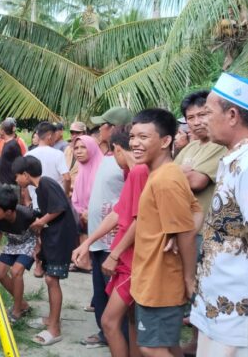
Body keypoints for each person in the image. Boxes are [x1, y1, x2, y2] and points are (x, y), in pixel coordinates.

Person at [190, 73, 248, 355]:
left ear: (232, 115)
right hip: (223, 302)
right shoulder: (237, 159)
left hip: (243, 307)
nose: (200, 121)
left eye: (207, 112)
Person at [73, 125, 147, 356]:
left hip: (132, 259)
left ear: (116, 148)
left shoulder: (139, 173)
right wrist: (87, 242)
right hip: (123, 255)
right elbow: (119, 211)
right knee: (131, 323)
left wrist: (114, 254)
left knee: (110, 321)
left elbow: (139, 219)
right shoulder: (131, 173)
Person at [129, 108, 197, 357]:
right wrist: (172, 231)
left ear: (166, 140)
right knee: (168, 345)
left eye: (144, 137)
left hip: (161, 281)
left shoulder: (165, 180)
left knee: (151, 347)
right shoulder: (163, 174)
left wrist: (189, 279)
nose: (135, 143)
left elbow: (187, 232)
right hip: (153, 276)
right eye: (133, 136)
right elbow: (196, 211)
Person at [173, 90, 226, 355]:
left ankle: (200, 344)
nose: (196, 121)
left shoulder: (220, 146)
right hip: (184, 228)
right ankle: (195, 342)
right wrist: (180, 174)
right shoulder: (192, 147)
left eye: (202, 114)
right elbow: (168, 177)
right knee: (192, 288)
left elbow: (197, 181)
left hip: (204, 230)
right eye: (190, 117)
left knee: (201, 288)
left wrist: (179, 174)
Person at [13, 156, 77, 346]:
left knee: (51, 279)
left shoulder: (47, 183)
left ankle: (54, 329)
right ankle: (51, 319)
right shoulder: (39, 188)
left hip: (61, 237)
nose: (17, 180)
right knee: (50, 279)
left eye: (17, 176)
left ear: (25, 174)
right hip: (52, 236)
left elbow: (60, 207)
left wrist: (41, 222)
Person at [0, 187, 37, 324]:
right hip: (13, 242)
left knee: (16, 271)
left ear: (9, 211)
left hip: (29, 242)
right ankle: (22, 303)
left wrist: (39, 251)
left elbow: (40, 229)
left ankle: (17, 310)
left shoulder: (27, 215)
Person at [25, 122, 71, 204]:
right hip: (56, 202)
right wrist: (66, 195)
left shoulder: (28, 155)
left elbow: (25, 180)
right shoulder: (58, 154)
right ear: (50, 136)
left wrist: (27, 201)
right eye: (54, 135)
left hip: (36, 201)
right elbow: (67, 178)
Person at [71, 135, 104, 241]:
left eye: (83, 147)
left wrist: (91, 212)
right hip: (83, 222)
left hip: (103, 224)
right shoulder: (80, 170)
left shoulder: (103, 168)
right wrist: (82, 213)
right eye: (76, 148)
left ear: (92, 148)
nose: (79, 151)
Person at [0, 118, 23, 191]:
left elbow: (19, 162)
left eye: (0, 129)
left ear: (2, 131)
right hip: (5, 181)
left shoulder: (13, 144)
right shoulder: (7, 142)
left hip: (11, 183)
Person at [64, 121, 88, 197]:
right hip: (66, 193)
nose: (74, 135)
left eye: (77, 133)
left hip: (82, 194)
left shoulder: (89, 150)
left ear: (84, 133)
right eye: (72, 132)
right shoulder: (67, 149)